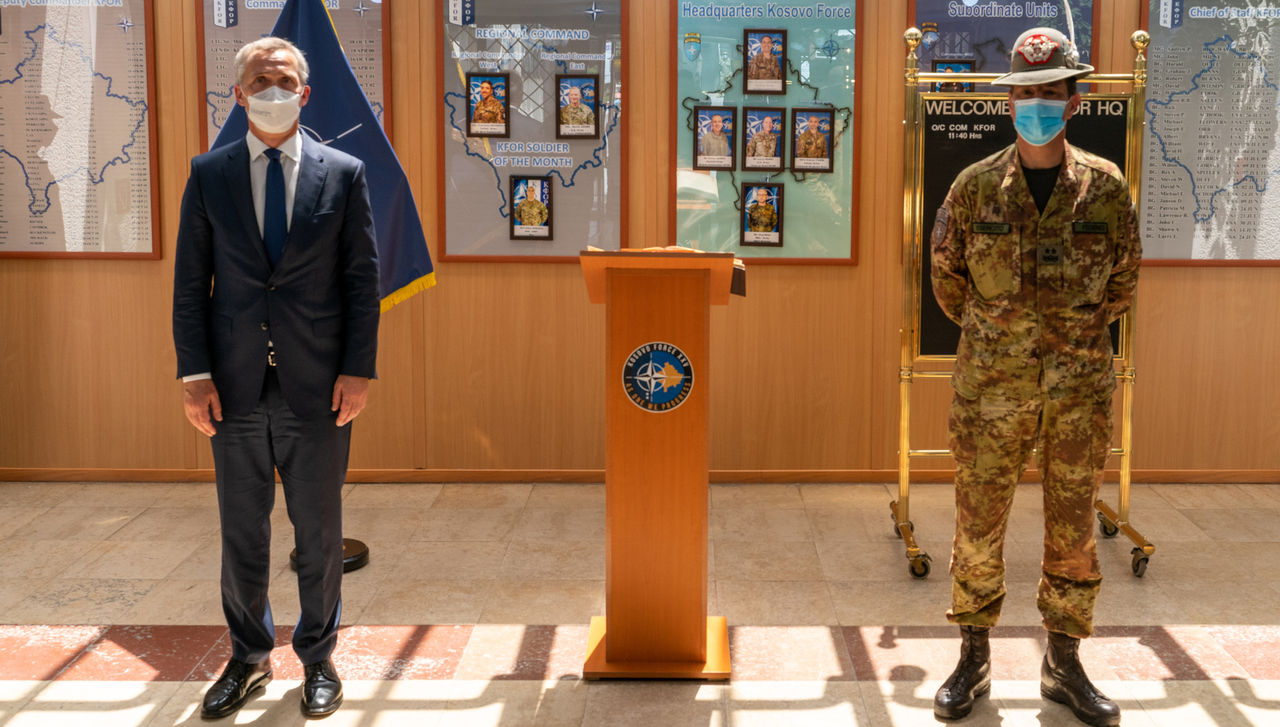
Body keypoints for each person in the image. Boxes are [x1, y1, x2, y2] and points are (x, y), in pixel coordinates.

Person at [929, 27, 1139, 727]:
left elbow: (1122, 283)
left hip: (1077, 392)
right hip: (991, 391)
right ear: (1009, 101)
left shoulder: (1105, 190)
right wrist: (1007, 343)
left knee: (1074, 526)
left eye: (1051, 93)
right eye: (1026, 94)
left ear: (1073, 100)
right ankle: (973, 654)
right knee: (978, 523)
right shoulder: (974, 188)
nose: (1037, 104)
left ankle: (1064, 662)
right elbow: (948, 284)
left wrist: (1066, 343)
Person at [172, 36, 379, 720]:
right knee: (242, 532)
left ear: (305, 92)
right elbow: (188, 286)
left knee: (317, 533)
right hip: (230, 388)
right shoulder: (209, 174)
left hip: (318, 386)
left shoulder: (344, 173)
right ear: (238, 93)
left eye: (284, 79)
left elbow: (360, 283)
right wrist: (194, 375)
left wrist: (357, 370)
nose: (272, 89)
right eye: (260, 80)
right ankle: (248, 656)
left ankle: (318, 659)